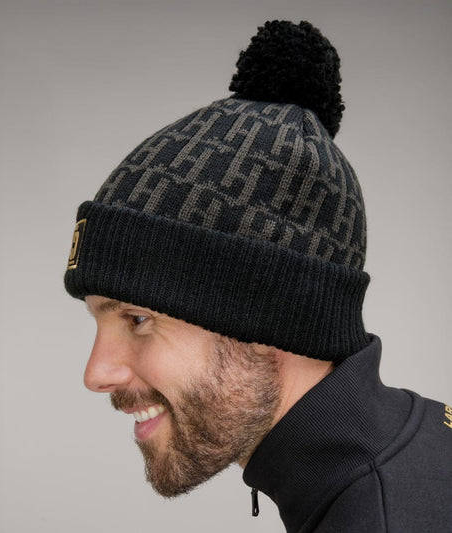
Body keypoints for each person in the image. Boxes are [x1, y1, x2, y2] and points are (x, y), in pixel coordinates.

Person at [64, 20, 452, 533]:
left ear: (271, 317)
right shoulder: (423, 441)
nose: (96, 373)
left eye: (137, 319)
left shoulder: (382, 519)